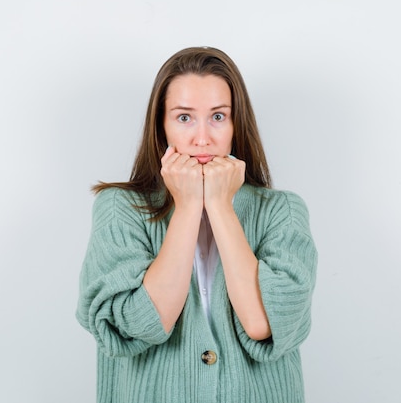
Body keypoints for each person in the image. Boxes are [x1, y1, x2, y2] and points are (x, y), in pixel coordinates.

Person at [76, 46, 318, 403]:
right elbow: (139, 323)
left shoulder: (283, 211)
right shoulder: (119, 208)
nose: (202, 138)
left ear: (237, 125)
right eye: (184, 118)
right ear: (162, 125)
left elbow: (263, 324)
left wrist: (219, 205)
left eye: (218, 117)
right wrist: (189, 205)